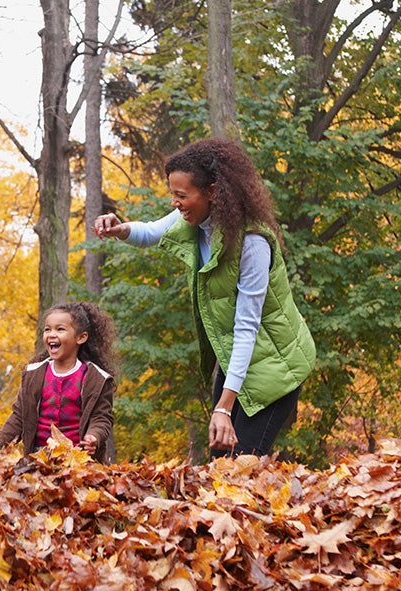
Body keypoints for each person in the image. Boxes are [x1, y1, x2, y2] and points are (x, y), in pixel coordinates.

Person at [93, 138, 316, 459]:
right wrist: (119, 228)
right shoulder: (199, 220)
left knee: (241, 468)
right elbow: (152, 232)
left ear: (212, 192)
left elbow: (247, 327)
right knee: (219, 464)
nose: (174, 203)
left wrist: (223, 408)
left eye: (181, 195)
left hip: (276, 369)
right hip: (238, 359)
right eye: (173, 193)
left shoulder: (252, 243)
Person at [0, 302, 119, 464]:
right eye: (47, 329)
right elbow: (18, 417)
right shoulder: (34, 374)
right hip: (39, 457)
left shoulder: (96, 378)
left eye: (60, 329)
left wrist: (94, 436)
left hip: (78, 458)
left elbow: (101, 417)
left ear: (81, 337)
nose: (51, 334)